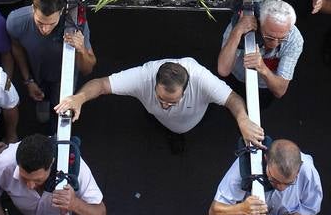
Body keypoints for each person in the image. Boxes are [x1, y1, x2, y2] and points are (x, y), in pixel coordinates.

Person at [56, 57, 264, 153]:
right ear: (154, 83)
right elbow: (101, 84)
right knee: (159, 123)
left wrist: (243, 120)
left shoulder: (202, 79)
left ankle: (179, 135)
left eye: (172, 101)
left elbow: (233, 99)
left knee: (186, 131)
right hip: (154, 118)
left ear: (187, 88)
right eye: (160, 98)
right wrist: (79, 98)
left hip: (197, 118)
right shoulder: (143, 77)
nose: (165, 105)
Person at [0, 133, 107, 215]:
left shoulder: (78, 172)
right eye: (24, 178)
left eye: (37, 180)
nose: (29, 186)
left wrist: (74, 203)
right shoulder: (3, 163)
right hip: (23, 214)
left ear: (51, 164)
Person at [7, 0, 95, 122]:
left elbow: (88, 69)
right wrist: (28, 80)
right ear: (33, 9)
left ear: (61, 12)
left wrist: (81, 49)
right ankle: (42, 102)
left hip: (63, 78)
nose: (45, 29)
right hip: (37, 73)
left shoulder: (77, 24)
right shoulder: (15, 22)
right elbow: (17, 49)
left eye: (51, 24)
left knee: (59, 105)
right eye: (40, 23)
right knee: (40, 96)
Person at [208, 137, 323, 215]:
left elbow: (310, 207)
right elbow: (214, 212)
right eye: (275, 180)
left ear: (299, 169)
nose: (282, 188)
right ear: (266, 159)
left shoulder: (308, 171)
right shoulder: (245, 166)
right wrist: (241, 209)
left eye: (289, 183)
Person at [217, 0, 303, 101]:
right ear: (260, 22)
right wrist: (237, 31)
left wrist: (262, 67)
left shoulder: (294, 39)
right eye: (269, 37)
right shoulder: (240, 22)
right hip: (235, 76)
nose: (274, 43)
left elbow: (280, 90)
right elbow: (223, 70)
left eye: (281, 39)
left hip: (263, 86)